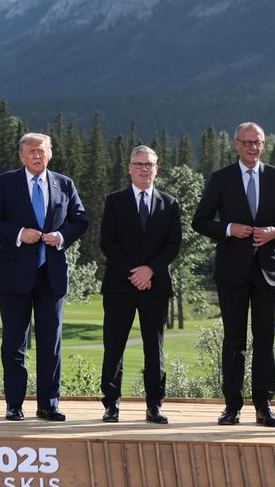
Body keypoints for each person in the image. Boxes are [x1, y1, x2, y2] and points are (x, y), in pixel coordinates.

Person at [191, 122, 275, 427]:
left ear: (263, 146)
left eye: (258, 143)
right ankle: (232, 406)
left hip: (269, 272)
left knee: (265, 340)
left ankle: (264, 406)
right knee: (233, 342)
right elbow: (199, 221)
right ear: (235, 145)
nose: (253, 147)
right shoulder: (221, 179)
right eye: (247, 142)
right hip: (231, 272)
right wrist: (229, 229)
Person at [0, 132, 88, 422]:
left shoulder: (64, 184)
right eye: (31, 151)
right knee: (14, 342)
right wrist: (18, 233)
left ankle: (49, 403)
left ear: (50, 153)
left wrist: (61, 236)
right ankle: (14, 404)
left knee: (50, 342)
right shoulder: (5, 183)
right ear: (21, 155)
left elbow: (81, 220)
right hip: (14, 274)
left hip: (51, 275)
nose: (37, 155)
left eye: (41, 151)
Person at [98, 145, 181, 424]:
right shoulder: (115, 201)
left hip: (155, 286)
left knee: (153, 347)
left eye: (150, 164)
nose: (145, 169)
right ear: (130, 168)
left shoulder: (169, 203)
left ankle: (154, 405)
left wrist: (150, 270)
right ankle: (111, 404)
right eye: (139, 164)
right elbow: (107, 242)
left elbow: (173, 245)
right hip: (119, 284)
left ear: (157, 169)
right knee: (114, 345)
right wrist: (133, 272)